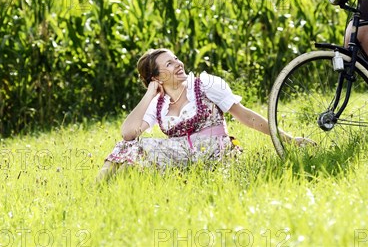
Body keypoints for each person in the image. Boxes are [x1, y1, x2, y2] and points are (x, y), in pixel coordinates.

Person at [97, 48, 306, 181]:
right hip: (181, 160)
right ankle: (98, 193)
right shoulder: (158, 104)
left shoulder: (205, 84)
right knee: (126, 153)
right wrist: (150, 93)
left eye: (176, 59)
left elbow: (246, 116)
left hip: (215, 154)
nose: (178, 64)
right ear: (156, 77)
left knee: (130, 155)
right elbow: (128, 133)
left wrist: (288, 139)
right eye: (169, 64)